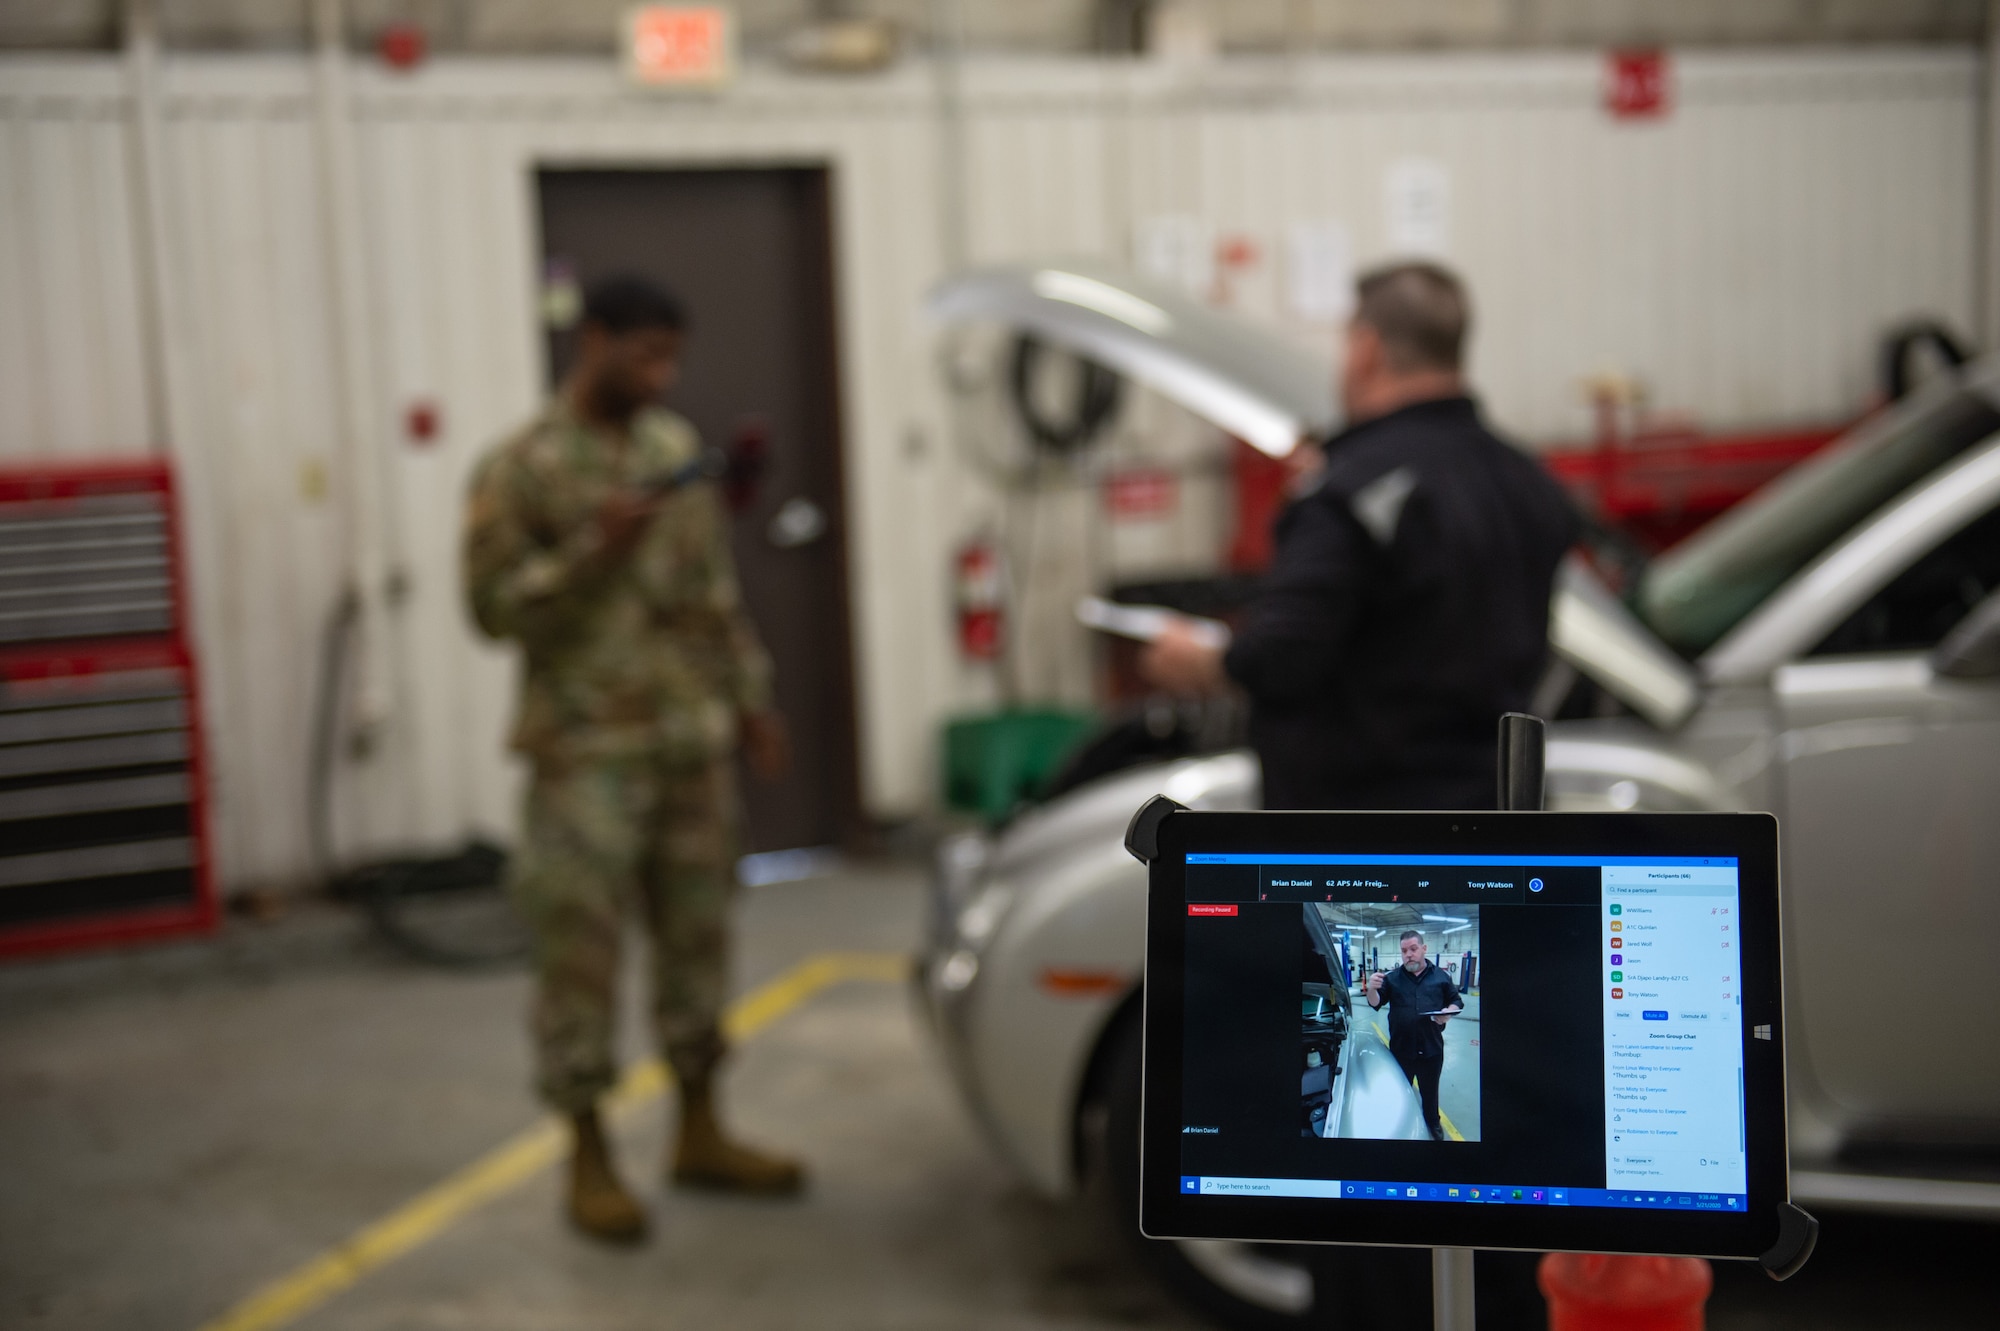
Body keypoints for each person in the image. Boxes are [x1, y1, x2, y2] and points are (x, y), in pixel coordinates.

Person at [463, 275, 802, 1244]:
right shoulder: (520, 466)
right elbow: (487, 610)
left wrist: (751, 700)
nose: (662, 375)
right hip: (583, 753)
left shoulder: (671, 454)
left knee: (699, 940)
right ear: (595, 341)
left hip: (686, 745)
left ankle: (700, 1126)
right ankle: (588, 1150)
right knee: (580, 957)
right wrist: (587, 552)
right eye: (644, 356)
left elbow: (709, 593)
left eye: (672, 358)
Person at [1141, 262, 1579, 810]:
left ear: (1366, 349)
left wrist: (1202, 662)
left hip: (1369, 846)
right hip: (1503, 823)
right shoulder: (1526, 480)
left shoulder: (1349, 491)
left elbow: (1278, 656)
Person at [1365, 929, 1463, 1141]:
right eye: (1404, 951)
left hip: (1431, 1050)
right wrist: (1370, 989)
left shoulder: (1442, 977)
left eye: (1413, 949)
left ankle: (1432, 1122)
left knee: (1430, 1091)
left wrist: (1448, 1013)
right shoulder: (1392, 979)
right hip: (1401, 1050)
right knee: (1399, 1091)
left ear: (1424, 949)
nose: (1408, 954)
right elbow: (1375, 1003)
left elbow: (1456, 1001)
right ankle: (1398, 1121)